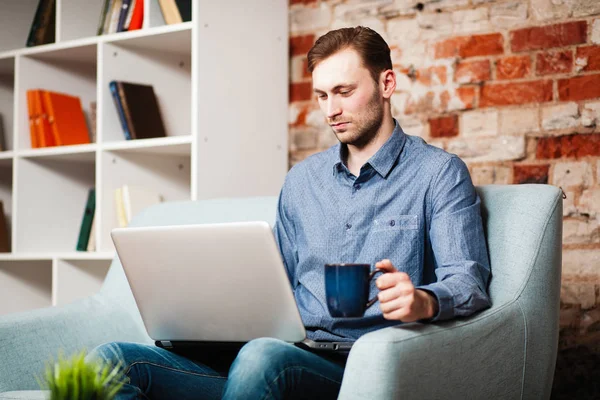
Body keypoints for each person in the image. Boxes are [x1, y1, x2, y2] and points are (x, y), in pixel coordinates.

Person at [89, 26, 491, 399]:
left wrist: (423, 300)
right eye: (321, 95)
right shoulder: (302, 182)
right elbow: (274, 284)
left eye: (344, 91)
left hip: (354, 364)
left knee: (262, 358)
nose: (331, 109)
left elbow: (468, 281)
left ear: (387, 83)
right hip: (278, 351)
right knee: (110, 362)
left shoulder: (437, 173)